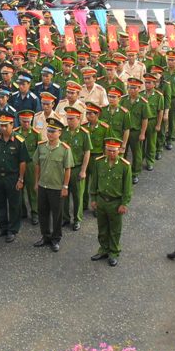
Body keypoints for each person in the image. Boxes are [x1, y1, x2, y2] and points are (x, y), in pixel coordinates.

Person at [0, 111, 30, 243]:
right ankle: (2, 227)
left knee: (14, 205)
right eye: (1, 125)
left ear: (12, 125)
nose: (3, 128)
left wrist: (21, 179)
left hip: (13, 177)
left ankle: (12, 230)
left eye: (6, 125)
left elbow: (23, 162)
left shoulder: (19, 141)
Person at [89, 138, 132, 267]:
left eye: (114, 151)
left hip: (115, 202)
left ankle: (113, 252)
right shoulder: (99, 163)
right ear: (105, 150)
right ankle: (103, 249)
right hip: (102, 200)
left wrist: (124, 204)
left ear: (119, 150)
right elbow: (94, 181)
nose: (111, 153)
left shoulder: (125, 166)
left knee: (115, 229)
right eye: (109, 150)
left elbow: (127, 187)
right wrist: (94, 199)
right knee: (102, 228)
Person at [33, 117, 74, 252]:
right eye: (48, 131)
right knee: (42, 213)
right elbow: (37, 165)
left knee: (57, 215)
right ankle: (45, 236)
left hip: (56, 187)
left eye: (53, 131)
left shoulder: (65, 149)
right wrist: (36, 182)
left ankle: (56, 239)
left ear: (60, 133)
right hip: (43, 185)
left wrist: (65, 186)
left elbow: (68, 169)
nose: (50, 134)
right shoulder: (41, 146)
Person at [60, 107, 91, 231]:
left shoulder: (84, 133)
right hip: (65, 168)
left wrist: (83, 170)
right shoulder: (63, 132)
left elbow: (87, 152)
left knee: (78, 195)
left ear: (79, 119)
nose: (69, 121)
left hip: (77, 168)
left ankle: (77, 219)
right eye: (68, 119)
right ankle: (65, 218)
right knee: (64, 195)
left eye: (72, 119)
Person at [16, 110, 40, 225]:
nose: (26, 123)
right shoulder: (15, 133)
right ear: (20, 120)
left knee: (32, 189)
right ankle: (22, 211)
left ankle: (35, 212)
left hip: (30, 164)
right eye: (24, 121)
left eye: (28, 121)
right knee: (19, 188)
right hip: (19, 163)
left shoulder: (36, 134)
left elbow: (38, 151)